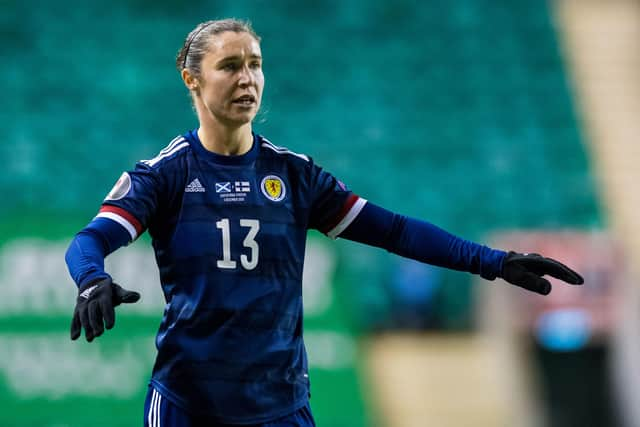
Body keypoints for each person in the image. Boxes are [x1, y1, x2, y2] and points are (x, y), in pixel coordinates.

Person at [64, 18, 584, 427]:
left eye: (256, 64)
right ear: (192, 79)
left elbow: (394, 231)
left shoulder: (294, 176)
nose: (248, 78)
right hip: (188, 403)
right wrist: (92, 280)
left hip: (281, 405)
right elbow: (91, 240)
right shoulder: (165, 175)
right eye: (230, 66)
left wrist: (494, 261)